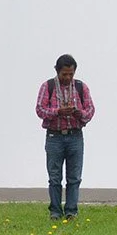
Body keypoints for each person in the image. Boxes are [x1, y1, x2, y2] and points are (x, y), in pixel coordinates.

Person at [36, 54, 95, 220]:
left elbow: (90, 110)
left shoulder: (81, 87)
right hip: (54, 137)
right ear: (57, 71)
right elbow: (40, 109)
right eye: (64, 74)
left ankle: (71, 211)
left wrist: (79, 113)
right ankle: (55, 211)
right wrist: (57, 112)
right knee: (55, 177)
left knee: (74, 177)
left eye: (71, 74)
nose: (68, 77)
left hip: (75, 136)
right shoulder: (48, 86)